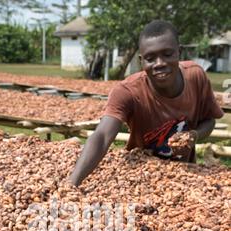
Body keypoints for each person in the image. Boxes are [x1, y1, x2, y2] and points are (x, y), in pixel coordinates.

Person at [69, 20, 224, 187]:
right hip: (140, 177)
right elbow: (101, 137)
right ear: (141, 61)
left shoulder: (196, 76)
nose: (159, 64)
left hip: (185, 176)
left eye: (167, 54)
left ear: (179, 52)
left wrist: (194, 135)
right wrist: (72, 185)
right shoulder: (127, 91)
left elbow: (209, 120)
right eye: (150, 58)